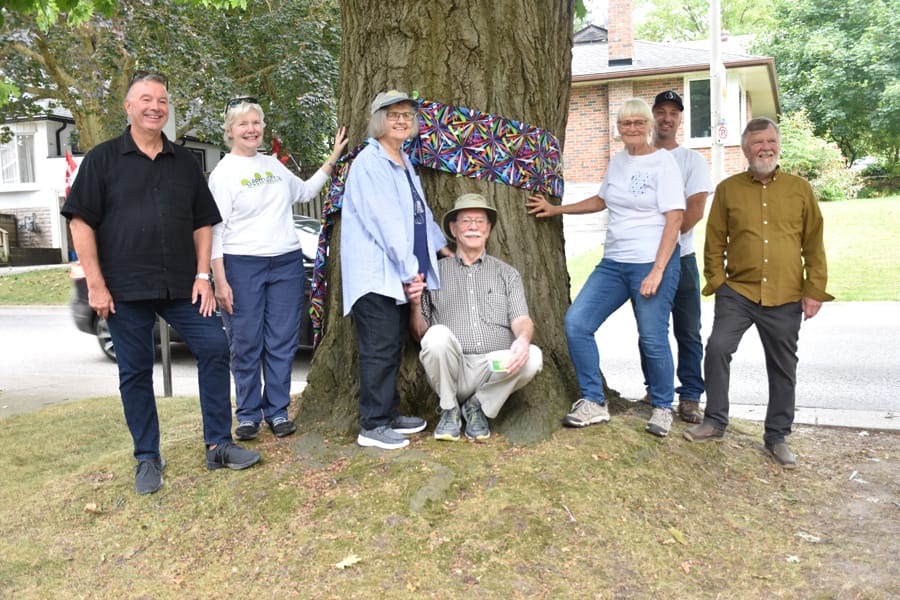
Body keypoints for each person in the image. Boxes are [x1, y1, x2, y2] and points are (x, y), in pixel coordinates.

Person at [61, 71, 260, 496]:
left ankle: (218, 445)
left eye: (163, 100)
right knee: (134, 372)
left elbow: (204, 222)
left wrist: (204, 275)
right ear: (129, 107)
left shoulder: (184, 162)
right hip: (124, 290)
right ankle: (147, 457)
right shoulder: (102, 159)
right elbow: (80, 223)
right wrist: (95, 285)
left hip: (182, 287)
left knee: (214, 347)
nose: (155, 106)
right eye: (146, 99)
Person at [526, 97, 684, 437]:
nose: (632, 128)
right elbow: (602, 200)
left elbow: (675, 217)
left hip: (651, 263)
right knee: (577, 322)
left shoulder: (663, 163)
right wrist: (557, 210)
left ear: (649, 126)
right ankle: (594, 401)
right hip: (614, 263)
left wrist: (657, 270)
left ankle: (662, 407)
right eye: (625, 124)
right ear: (619, 129)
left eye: (638, 123)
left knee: (652, 337)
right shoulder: (617, 163)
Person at [683, 117, 833, 467]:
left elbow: (813, 244)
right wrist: (718, 283)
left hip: (785, 294)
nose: (764, 148)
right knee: (718, 347)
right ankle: (715, 421)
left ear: (777, 145)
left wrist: (814, 290)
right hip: (738, 291)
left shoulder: (800, 189)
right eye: (756, 143)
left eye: (770, 141)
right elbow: (715, 241)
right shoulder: (729, 189)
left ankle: (777, 436)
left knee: (783, 366)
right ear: (746, 149)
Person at [209, 98, 347, 442]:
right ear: (230, 131)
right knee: (245, 342)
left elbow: (305, 192)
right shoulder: (223, 174)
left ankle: (277, 411)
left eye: (256, 123)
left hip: (285, 262)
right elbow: (215, 231)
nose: (251, 129)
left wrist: (332, 159)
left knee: (281, 341)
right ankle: (248, 415)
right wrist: (220, 280)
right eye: (243, 124)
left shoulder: (273, 165)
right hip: (242, 265)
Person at [341, 89, 451, 450]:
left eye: (407, 115)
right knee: (378, 348)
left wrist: (440, 247)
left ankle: (387, 414)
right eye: (393, 115)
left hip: (398, 271)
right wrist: (410, 272)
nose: (402, 120)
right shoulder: (371, 163)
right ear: (378, 121)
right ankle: (372, 424)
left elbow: (420, 215)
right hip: (377, 274)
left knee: (390, 347)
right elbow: (387, 225)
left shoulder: (402, 160)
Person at [407, 193, 543, 441]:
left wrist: (523, 339)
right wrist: (415, 304)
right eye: (466, 220)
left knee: (533, 356)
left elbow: (522, 320)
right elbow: (419, 334)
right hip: (451, 370)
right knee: (436, 335)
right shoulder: (434, 273)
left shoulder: (507, 274)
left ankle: (477, 406)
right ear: (453, 229)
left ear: (488, 229)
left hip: (494, 369)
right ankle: (448, 409)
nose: (473, 226)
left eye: (480, 221)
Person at [637, 90, 714, 424]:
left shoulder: (692, 161)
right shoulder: (637, 157)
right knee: (650, 329)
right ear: (652, 116)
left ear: (680, 119)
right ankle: (656, 390)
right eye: (660, 111)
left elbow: (695, 211)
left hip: (681, 259)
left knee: (688, 330)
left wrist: (662, 243)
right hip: (642, 259)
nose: (666, 118)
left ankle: (691, 396)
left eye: (673, 113)